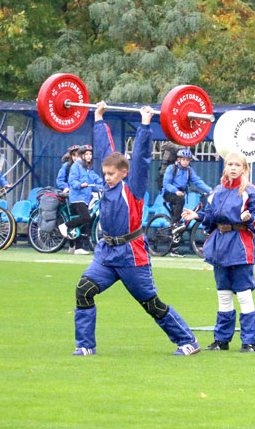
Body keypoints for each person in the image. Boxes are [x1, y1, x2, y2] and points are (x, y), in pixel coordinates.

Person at [72, 102, 199, 357]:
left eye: (112, 174)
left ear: (124, 173)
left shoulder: (134, 188)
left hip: (131, 254)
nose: (107, 177)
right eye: (105, 173)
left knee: (151, 304)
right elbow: (105, 151)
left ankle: (188, 341)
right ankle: (85, 346)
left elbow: (140, 158)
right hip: (107, 253)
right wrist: (98, 118)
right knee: (84, 291)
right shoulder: (107, 182)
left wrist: (145, 124)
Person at [182, 152, 255, 353]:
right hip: (220, 246)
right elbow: (211, 216)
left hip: (239, 245)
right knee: (223, 293)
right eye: (230, 164)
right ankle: (221, 340)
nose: (233, 168)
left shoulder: (250, 191)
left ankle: (249, 341)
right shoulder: (217, 191)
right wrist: (198, 216)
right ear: (225, 167)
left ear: (244, 168)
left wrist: (249, 218)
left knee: (244, 294)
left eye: (237, 165)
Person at [162, 148, 211, 257]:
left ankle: (174, 249)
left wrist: (211, 190)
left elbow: (198, 181)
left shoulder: (189, 170)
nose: (185, 162)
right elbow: (166, 184)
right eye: (183, 159)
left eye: (187, 160)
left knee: (182, 218)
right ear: (178, 159)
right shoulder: (172, 168)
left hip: (180, 194)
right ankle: (176, 224)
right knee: (180, 200)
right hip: (169, 193)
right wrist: (175, 191)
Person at [59, 145, 102, 255]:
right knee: (86, 217)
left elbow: (96, 180)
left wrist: (105, 185)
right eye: (86, 154)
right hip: (77, 198)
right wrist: (80, 185)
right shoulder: (76, 166)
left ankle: (77, 248)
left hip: (85, 198)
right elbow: (72, 181)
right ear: (82, 155)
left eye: (90, 154)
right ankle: (65, 225)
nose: (89, 156)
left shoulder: (89, 168)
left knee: (79, 223)